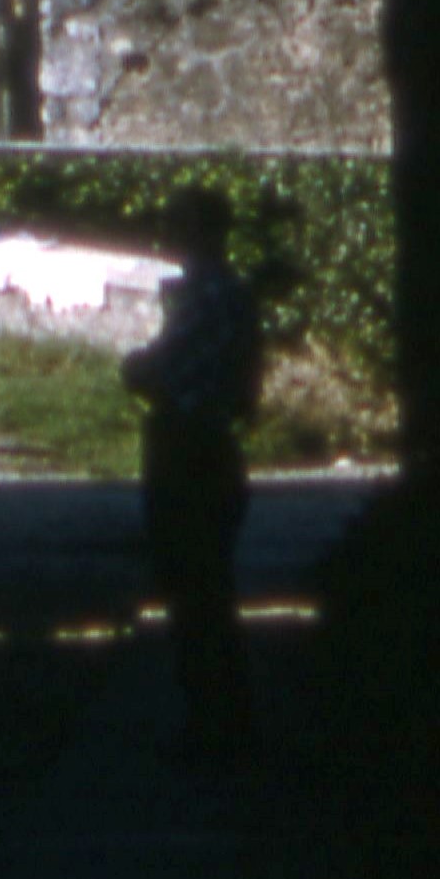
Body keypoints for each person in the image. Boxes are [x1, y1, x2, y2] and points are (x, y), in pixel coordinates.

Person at [119, 189, 264, 755]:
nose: (170, 233)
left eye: (178, 223)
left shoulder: (205, 293)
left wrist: (137, 365)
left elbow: (155, 367)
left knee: (191, 589)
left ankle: (211, 723)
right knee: (211, 589)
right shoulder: (237, 293)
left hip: (187, 445)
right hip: (218, 442)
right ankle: (228, 715)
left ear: (201, 231)